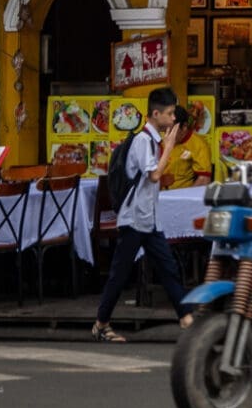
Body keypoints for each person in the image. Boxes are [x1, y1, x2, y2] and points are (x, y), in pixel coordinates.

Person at [92, 85, 193, 342]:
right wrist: (169, 146)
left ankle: (186, 317)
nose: (173, 119)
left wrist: (166, 144)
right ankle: (101, 323)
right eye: (170, 114)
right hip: (135, 219)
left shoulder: (151, 141)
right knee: (120, 273)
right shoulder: (142, 141)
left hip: (149, 218)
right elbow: (154, 174)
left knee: (167, 267)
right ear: (156, 114)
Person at [164, 106, 215, 190]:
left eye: (172, 130)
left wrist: (186, 198)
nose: (167, 134)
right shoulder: (161, 140)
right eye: (165, 129)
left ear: (184, 126)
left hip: (180, 197)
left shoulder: (199, 145)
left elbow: (204, 180)